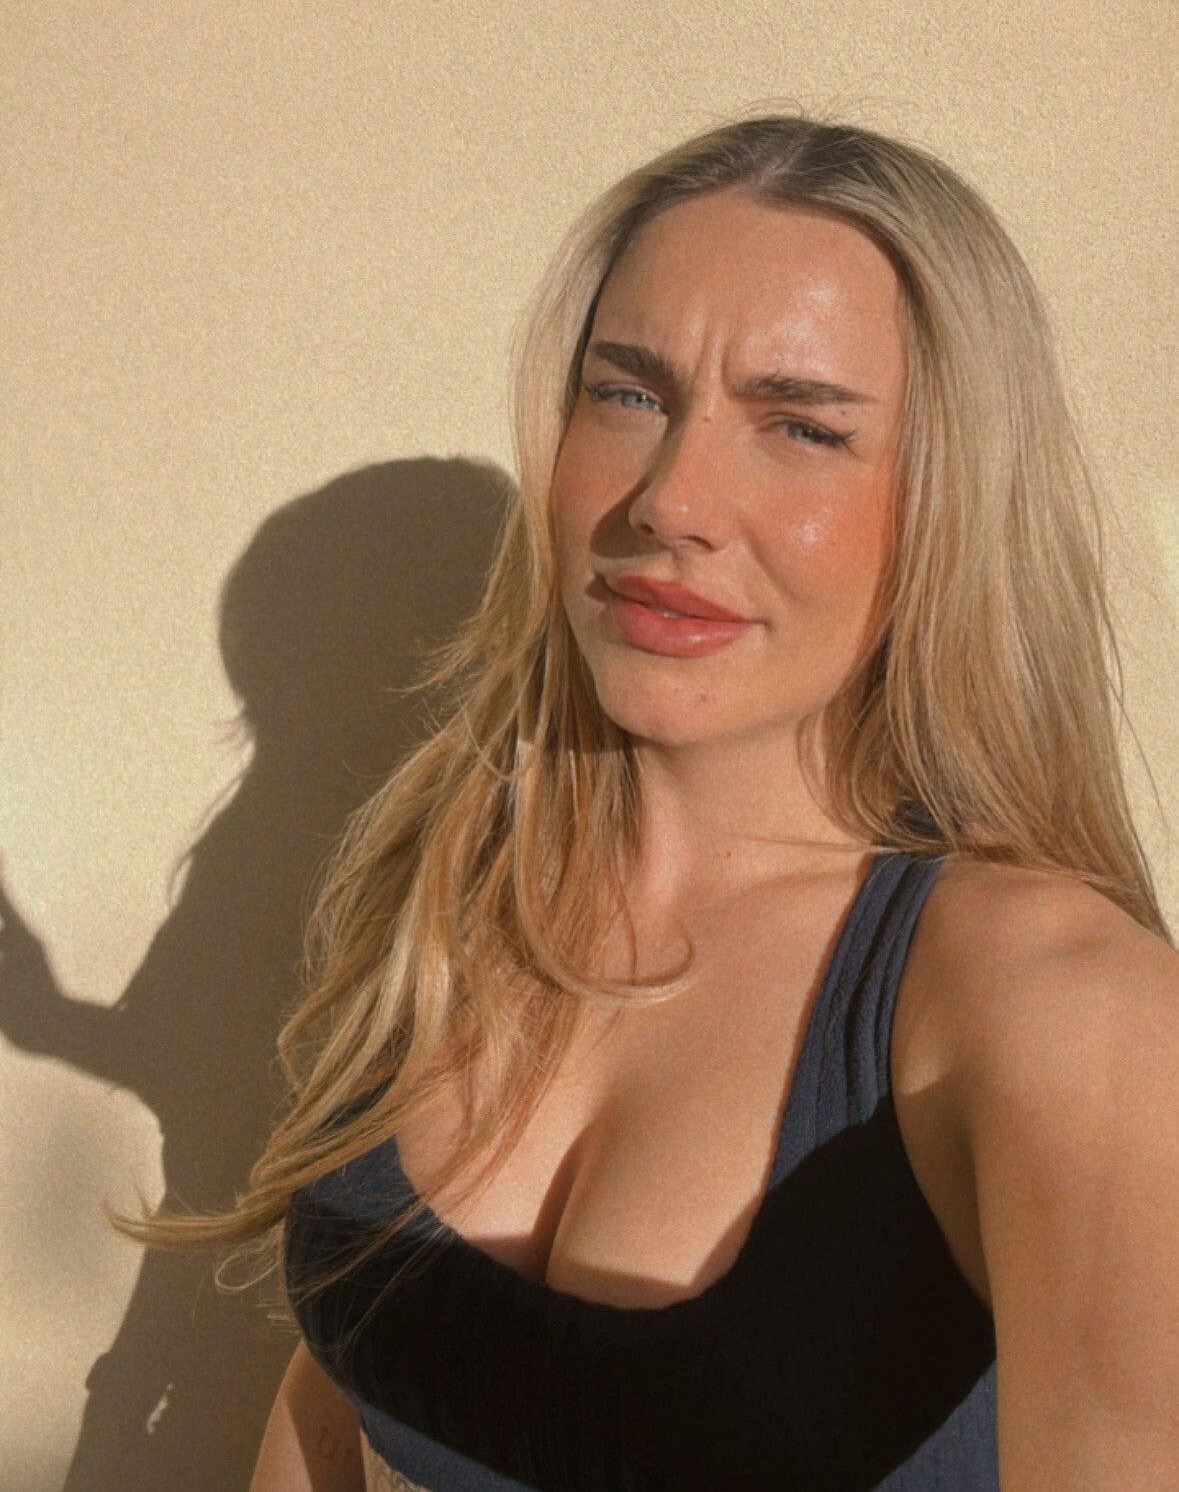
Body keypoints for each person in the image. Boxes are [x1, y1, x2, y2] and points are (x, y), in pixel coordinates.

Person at [130, 114, 1179, 1491]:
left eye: (803, 426)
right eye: (627, 394)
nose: (671, 501)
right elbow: (345, 1385)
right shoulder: (465, 882)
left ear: (952, 503)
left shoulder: (1067, 1014)